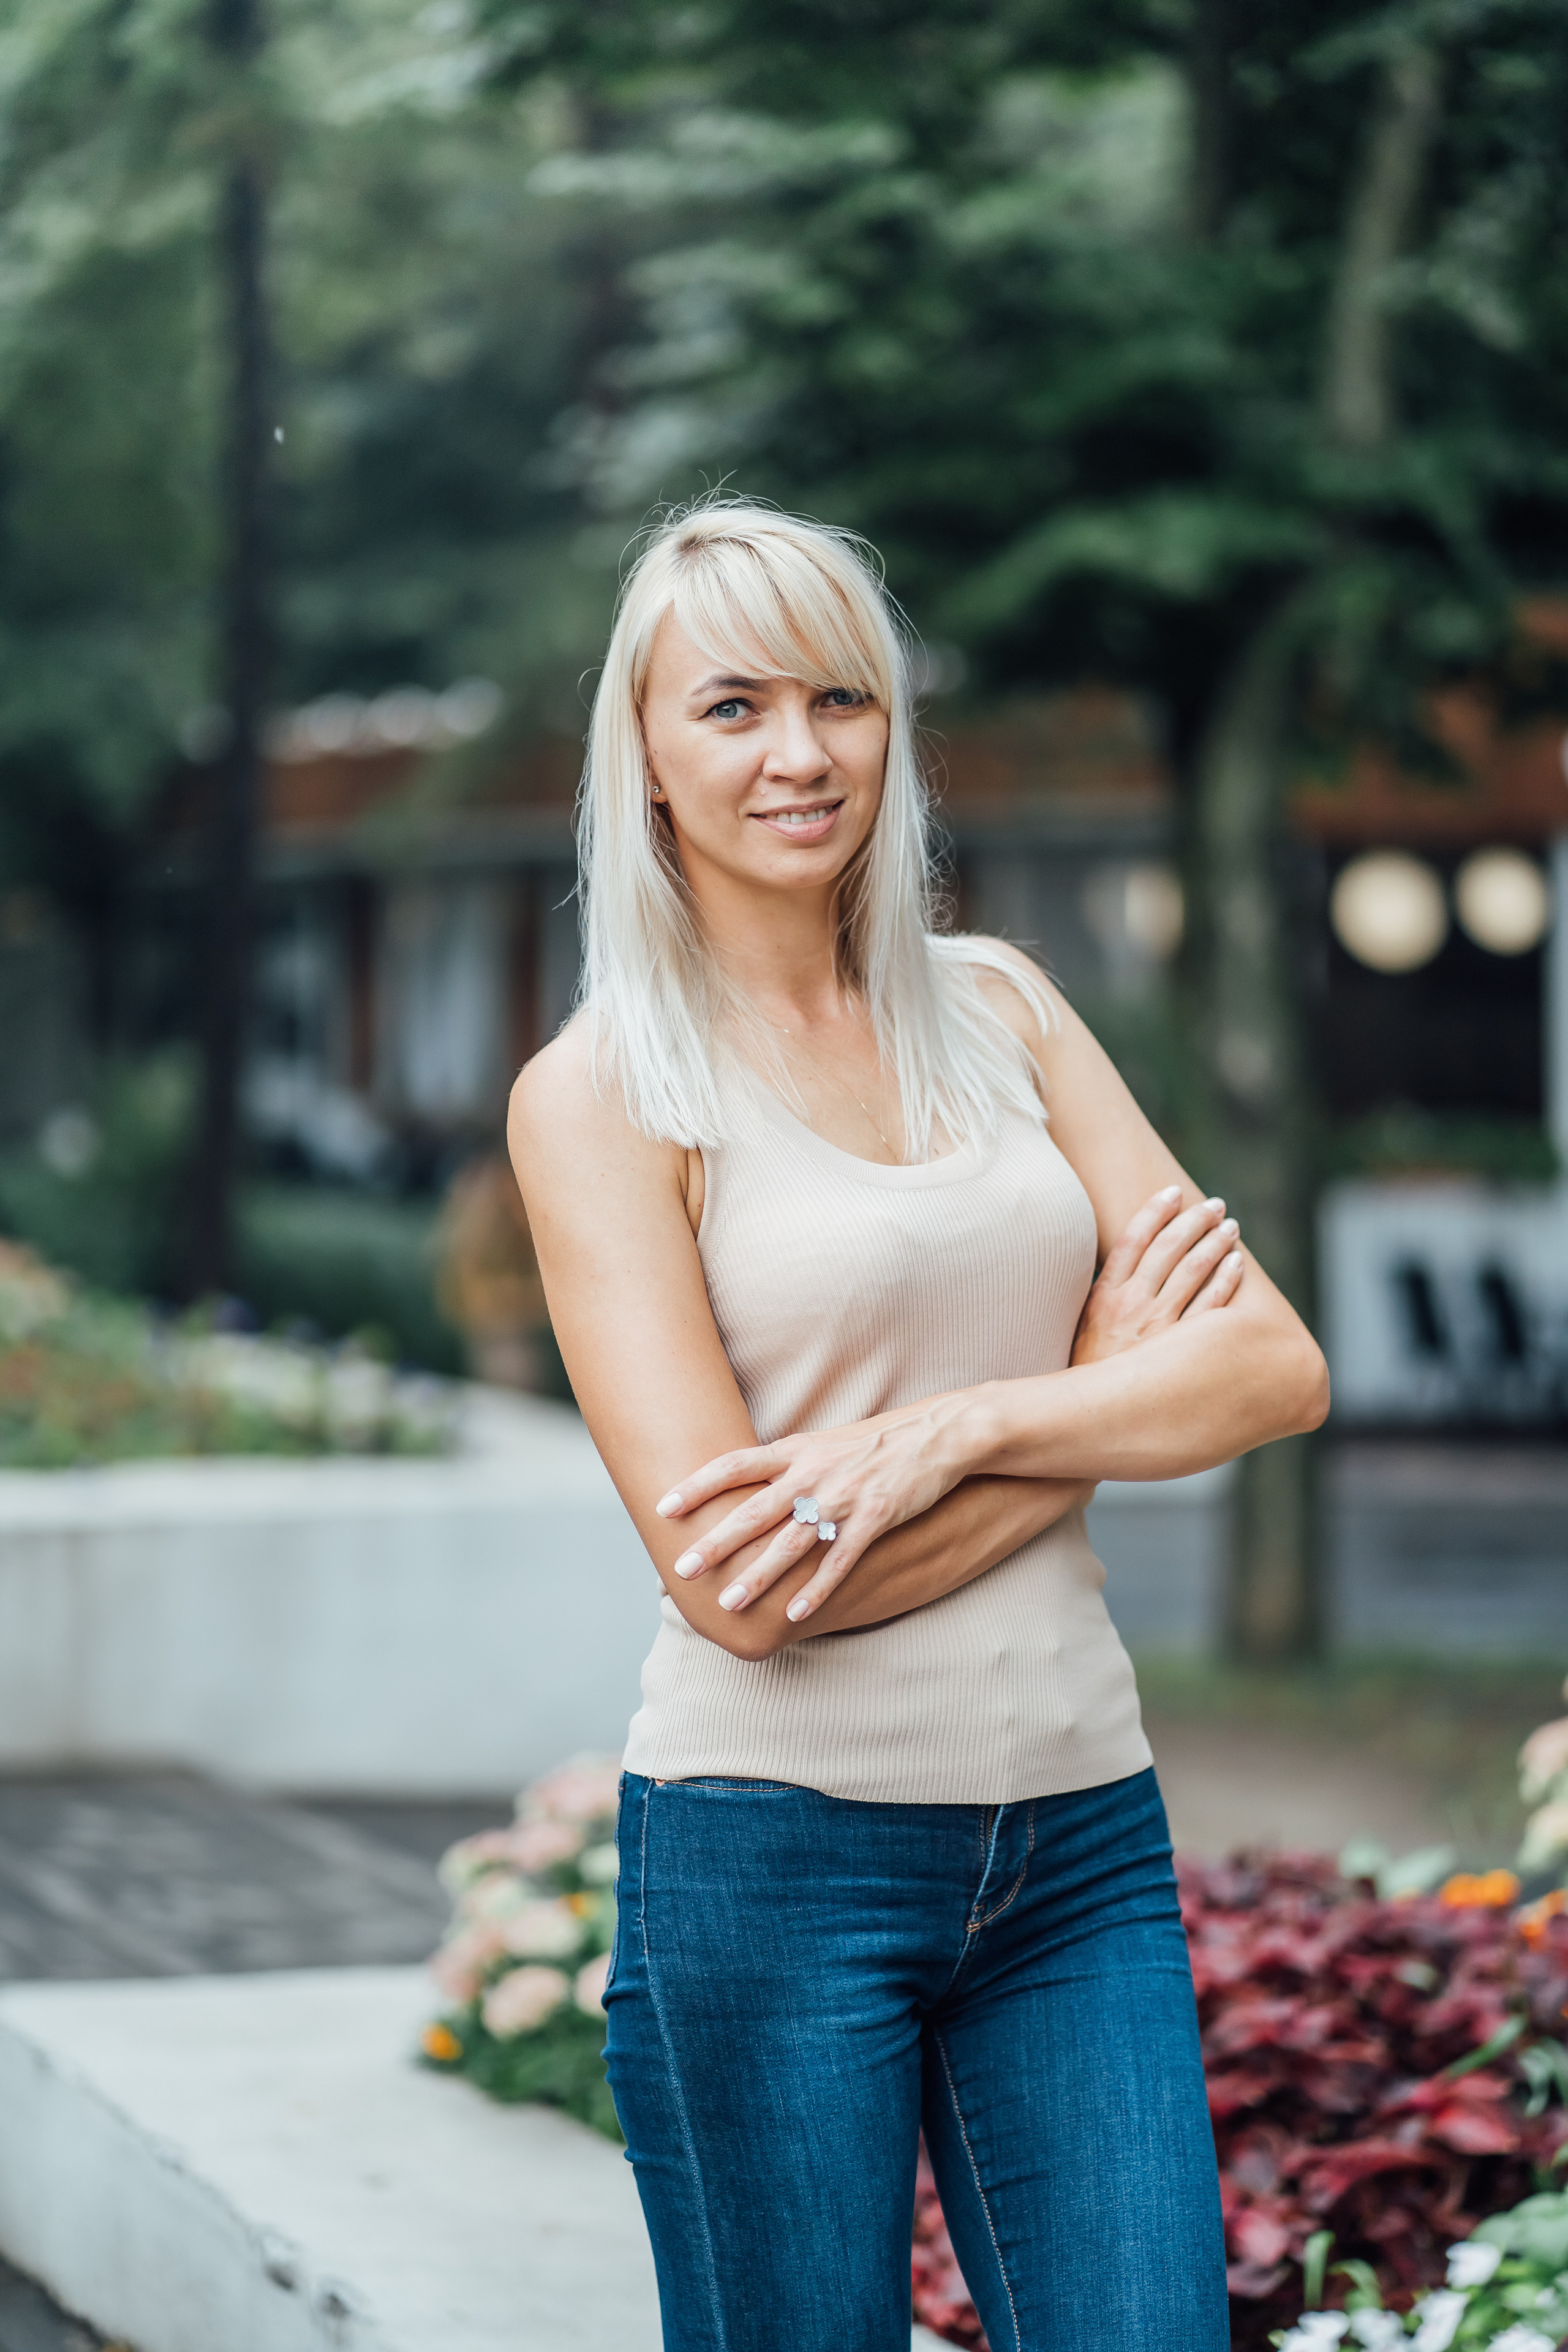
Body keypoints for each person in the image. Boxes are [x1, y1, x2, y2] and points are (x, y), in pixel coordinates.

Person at [508, 500, 1329, 2352]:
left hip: (1078, 1839)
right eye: (731, 708)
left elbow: (1274, 1367)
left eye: (841, 700)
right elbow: (738, 1586)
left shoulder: (1006, 1011)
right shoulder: (605, 1096)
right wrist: (1115, 1396)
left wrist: (967, 1430)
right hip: (773, 1857)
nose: (798, 755)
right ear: (643, 755)